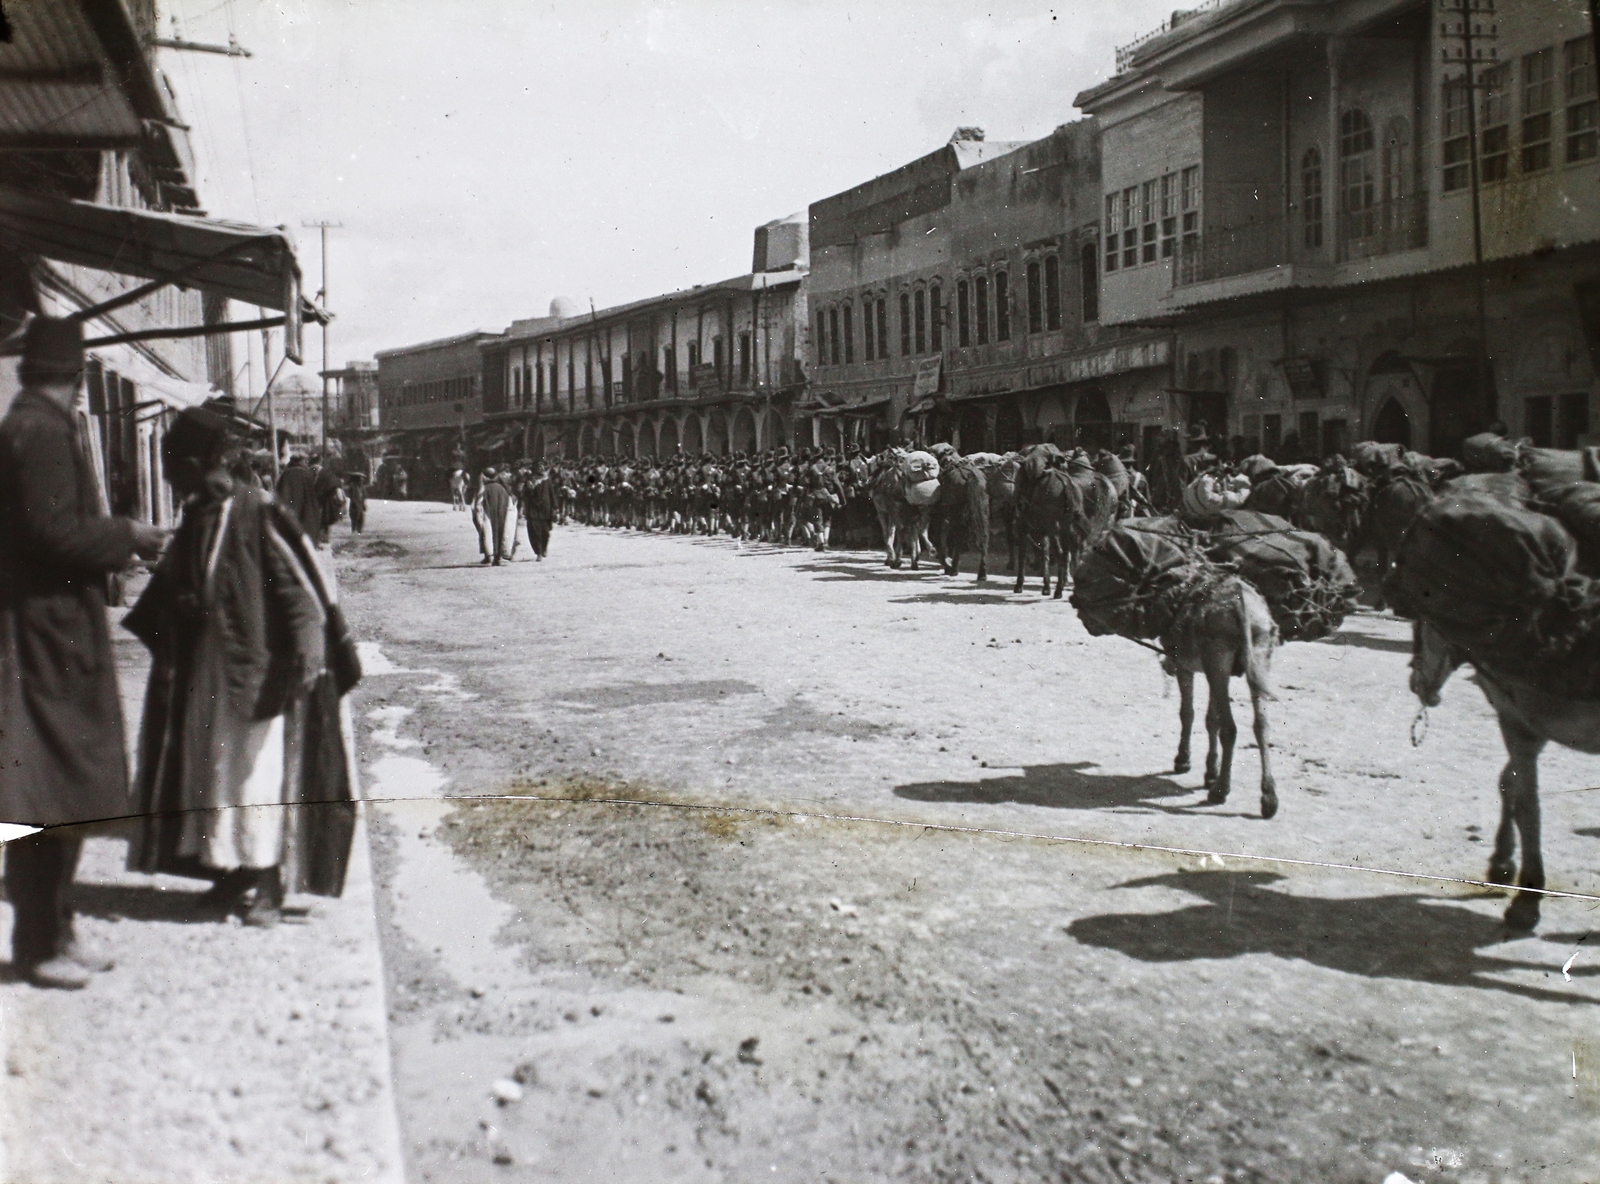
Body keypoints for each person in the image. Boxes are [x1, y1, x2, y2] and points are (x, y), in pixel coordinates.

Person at [124, 408, 357, 927]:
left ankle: (268, 880)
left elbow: (300, 594)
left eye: (169, 465)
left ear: (191, 463)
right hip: (207, 672)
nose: (164, 477)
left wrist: (308, 661)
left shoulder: (256, 511)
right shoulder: (199, 515)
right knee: (212, 776)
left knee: (253, 779)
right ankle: (231, 872)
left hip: (256, 672)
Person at [0, 316, 168, 989]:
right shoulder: (38, 432)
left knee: (56, 789)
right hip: (46, 634)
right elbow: (53, 532)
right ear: (72, 377)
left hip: (49, 628)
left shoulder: (28, 423)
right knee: (49, 788)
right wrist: (128, 533)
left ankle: (56, 929)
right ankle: (41, 943)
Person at [275, 453, 318, 539]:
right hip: (304, 505)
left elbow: (279, 491)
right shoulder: (307, 474)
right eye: (304, 461)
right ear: (300, 462)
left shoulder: (285, 473)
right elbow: (312, 492)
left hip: (289, 505)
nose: (306, 463)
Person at [521, 462, 556, 560]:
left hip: (546, 508)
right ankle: (538, 552)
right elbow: (524, 495)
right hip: (533, 508)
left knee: (546, 531)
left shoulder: (547, 480)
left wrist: (555, 507)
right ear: (535, 468)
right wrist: (529, 488)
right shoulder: (529, 480)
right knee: (535, 531)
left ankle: (544, 548)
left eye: (542, 467)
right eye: (538, 467)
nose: (540, 469)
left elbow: (551, 493)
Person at [480, 467, 512, 565]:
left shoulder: (484, 489)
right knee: (500, 533)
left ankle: (488, 555)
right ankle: (498, 557)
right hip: (501, 515)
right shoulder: (502, 488)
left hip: (488, 515)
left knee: (487, 534)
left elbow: (478, 505)